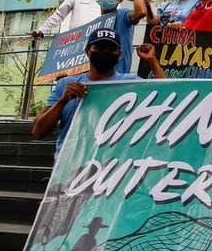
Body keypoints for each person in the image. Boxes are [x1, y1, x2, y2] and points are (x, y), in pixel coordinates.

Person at [32, 29, 165, 161]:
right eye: (99, 47)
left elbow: (170, 95)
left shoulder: (130, 84)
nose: (105, 52)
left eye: (111, 48)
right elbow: (38, 131)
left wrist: (152, 61)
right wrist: (62, 101)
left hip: (114, 171)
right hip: (69, 170)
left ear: (119, 53)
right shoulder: (66, 85)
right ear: (87, 51)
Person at [88, 0, 148, 74]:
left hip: (118, 77)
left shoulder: (123, 15)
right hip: (96, 78)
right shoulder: (95, 23)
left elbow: (140, 12)